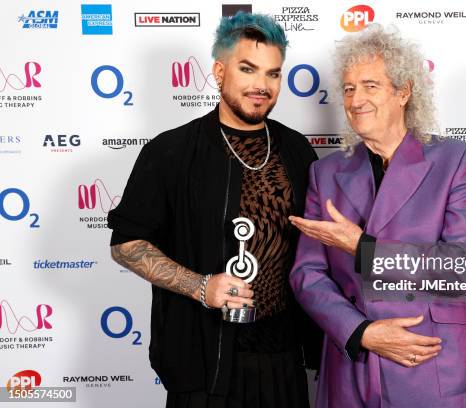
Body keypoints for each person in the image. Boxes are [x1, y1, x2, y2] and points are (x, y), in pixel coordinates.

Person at [289, 25, 466, 407]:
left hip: (435, 363)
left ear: (404, 91)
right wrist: (360, 331)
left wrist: (364, 248)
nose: (356, 99)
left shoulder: (455, 160)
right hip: (355, 366)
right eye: (349, 88)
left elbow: (464, 265)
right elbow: (307, 274)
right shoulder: (325, 174)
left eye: (370, 85)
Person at [108, 12, 321, 408]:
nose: (261, 85)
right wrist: (202, 287)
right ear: (220, 72)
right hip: (202, 367)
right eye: (248, 69)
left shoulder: (297, 151)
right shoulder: (171, 151)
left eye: (273, 74)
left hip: (284, 365)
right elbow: (126, 243)